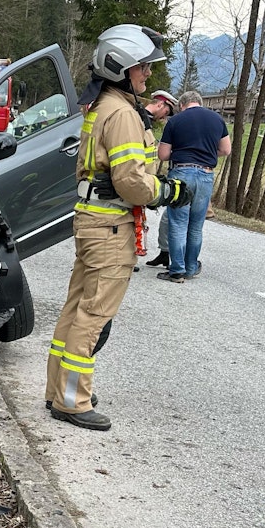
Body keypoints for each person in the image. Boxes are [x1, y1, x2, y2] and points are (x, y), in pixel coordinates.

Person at [45, 25, 192, 432]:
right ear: (122, 67)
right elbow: (130, 181)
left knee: (76, 309)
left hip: (92, 222)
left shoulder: (102, 104)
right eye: (143, 66)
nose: (148, 73)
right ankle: (72, 400)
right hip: (110, 227)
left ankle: (58, 389)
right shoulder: (124, 114)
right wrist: (167, 191)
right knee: (93, 316)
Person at [156, 90, 231, 282]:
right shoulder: (217, 120)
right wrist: (207, 153)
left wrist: (180, 151)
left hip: (181, 174)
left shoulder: (175, 121)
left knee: (178, 223)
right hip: (206, 174)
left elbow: (163, 154)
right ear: (200, 102)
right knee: (196, 226)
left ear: (182, 105)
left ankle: (177, 270)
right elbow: (225, 150)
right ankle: (190, 268)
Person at [144, 90, 177, 268]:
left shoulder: (146, 121)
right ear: (160, 104)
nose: (165, 116)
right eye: (166, 111)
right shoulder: (139, 119)